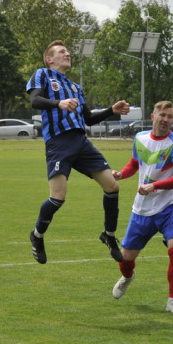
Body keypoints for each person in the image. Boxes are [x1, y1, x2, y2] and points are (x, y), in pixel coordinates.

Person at [26, 40, 131, 264]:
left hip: (81, 141)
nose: (68, 54)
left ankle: (109, 235)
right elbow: (34, 100)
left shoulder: (75, 87)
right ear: (49, 59)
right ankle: (37, 235)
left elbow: (88, 118)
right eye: (62, 52)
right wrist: (58, 104)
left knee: (112, 186)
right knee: (58, 198)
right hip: (58, 143)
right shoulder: (43, 75)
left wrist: (111, 110)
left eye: (68, 51)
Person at [111, 101, 173, 314]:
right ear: (153, 115)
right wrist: (121, 174)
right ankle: (128, 276)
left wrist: (153, 186)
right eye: (162, 115)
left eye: (170, 116)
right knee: (125, 259)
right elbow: (135, 164)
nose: (166, 120)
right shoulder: (140, 138)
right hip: (142, 209)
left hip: (169, 206)